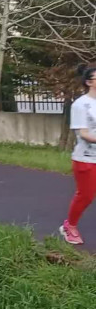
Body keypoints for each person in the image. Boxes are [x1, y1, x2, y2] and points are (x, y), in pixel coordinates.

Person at [60, 66, 96, 245]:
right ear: (89, 82)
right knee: (86, 196)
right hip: (86, 159)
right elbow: (84, 133)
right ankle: (69, 226)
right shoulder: (80, 105)